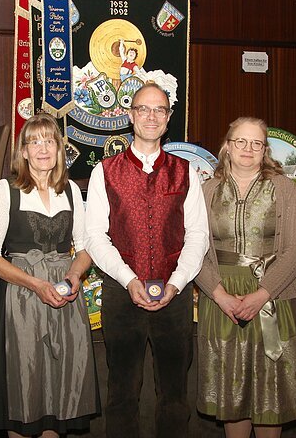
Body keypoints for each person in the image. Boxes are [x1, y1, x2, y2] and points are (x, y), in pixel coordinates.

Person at [84, 83, 209, 438]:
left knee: (174, 394)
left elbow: (198, 235)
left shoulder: (186, 172)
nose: (151, 116)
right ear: (131, 115)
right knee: (122, 392)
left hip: (175, 295)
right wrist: (128, 279)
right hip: (121, 293)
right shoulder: (105, 171)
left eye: (159, 110)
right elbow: (95, 236)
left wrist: (177, 283)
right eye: (143, 109)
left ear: (168, 118)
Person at [0, 113, 99, 438]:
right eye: (34, 142)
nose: (43, 148)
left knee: (59, 395)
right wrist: (35, 284)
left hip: (64, 299)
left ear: (60, 150)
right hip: (20, 301)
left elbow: (85, 248)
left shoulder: (71, 190)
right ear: (24, 151)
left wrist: (74, 275)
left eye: (49, 141)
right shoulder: (6, 190)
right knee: (22, 393)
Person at [196, 117, 296, 438]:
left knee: (270, 393)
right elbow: (193, 250)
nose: (248, 148)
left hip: (275, 298)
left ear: (265, 150)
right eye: (241, 142)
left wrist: (263, 294)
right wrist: (219, 294)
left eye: (256, 143)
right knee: (232, 394)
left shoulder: (286, 190)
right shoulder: (205, 191)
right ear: (227, 147)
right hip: (222, 300)